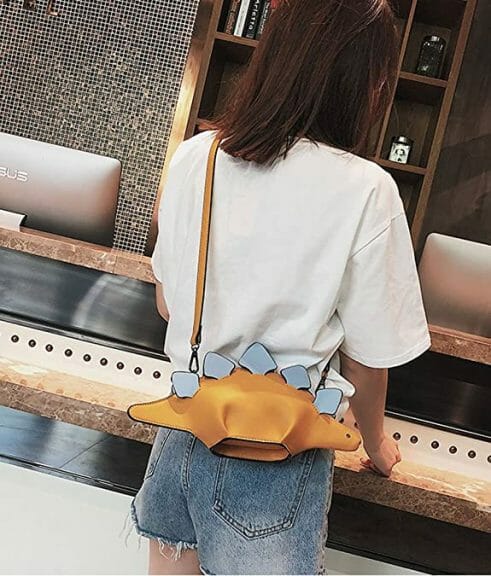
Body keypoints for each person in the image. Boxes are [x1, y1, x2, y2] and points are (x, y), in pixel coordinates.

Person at [129, 0, 431, 573]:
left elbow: (170, 303)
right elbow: (371, 361)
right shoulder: (367, 191)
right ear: (368, 82)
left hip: (186, 428)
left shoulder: (198, 156)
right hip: (278, 456)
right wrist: (375, 442)